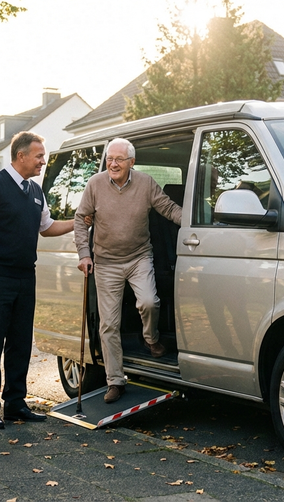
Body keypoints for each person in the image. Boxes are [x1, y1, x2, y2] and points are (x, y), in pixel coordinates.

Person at [0, 131, 74, 429]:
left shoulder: (36, 192)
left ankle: (15, 403)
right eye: (39, 156)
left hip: (26, 277)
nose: (43, 161)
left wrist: (79, 222)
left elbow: (47, 226)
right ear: (21, 155)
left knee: (20, 343)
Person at [74, 137, 182, 404]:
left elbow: (167, 208)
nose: (113, 163)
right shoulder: (95, 184)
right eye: (110, 158)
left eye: (119, 159)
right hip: (106, 262)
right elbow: (80, 218)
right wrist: (84, 255)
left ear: (131, 162)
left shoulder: (145, 183)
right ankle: (115, 381)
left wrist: (195, 223)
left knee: (149, 302)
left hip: (138, 257)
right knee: (109, 324)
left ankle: (151, 339)